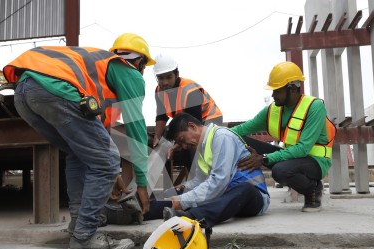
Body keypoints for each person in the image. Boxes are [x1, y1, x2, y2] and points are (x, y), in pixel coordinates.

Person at [5, 32, 155, 249]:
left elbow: (95, 143)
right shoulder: (127, 71)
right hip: (54, 90)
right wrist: (142, 183)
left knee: (78, 154)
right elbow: (136, 129)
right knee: (105, 161)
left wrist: (112, 173)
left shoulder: (98, 73)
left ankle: (78, 226)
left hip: (24, 92)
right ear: (140, 62)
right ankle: (85, 236)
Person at [232, 61, 336, 212]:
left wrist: (264, 158)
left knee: (280, 171)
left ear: (292, 89)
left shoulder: (314, 107)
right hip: (292, 157)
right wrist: (213, 134)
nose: (273, 95)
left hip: (315, 161)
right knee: (240, 140)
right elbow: (242, 129)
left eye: (277, 91)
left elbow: (303, 148)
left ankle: (313, 189)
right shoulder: (273, 110)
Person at [143, 113, 270, 228]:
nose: (184, 146)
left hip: (253, 197)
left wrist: (183, 200)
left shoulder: (222, 137)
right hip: (223, 194)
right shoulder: (201, 146)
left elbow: (219, 181)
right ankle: (140, 213)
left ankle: (191, 216)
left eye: (182, 140)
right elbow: (201, 179)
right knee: (176, 192)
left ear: (192, 126)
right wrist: (184, 187)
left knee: (245, 189)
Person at [151, 54, 223, 165]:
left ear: (177, 74)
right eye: (161, 78)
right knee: (173, 146)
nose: (164, 82)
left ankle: (202, 178)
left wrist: (176, 146)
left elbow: (194, 125)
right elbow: (161, 116)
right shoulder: (158, 91)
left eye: (169, 77)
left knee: (194, 146)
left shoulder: (190, 90)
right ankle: (191, 179)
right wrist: (157, 137)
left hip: (208, 119)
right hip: (186, 121)